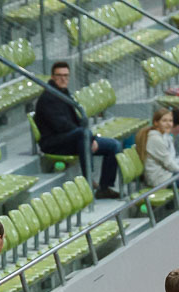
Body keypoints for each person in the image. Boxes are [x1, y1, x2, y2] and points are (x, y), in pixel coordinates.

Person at [33, 61, 121, 199]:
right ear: (52, 77)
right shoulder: (47, 99)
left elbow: (77, 120)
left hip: (74, 139)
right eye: (59, 75)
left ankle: (104, 187)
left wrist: (89, 137)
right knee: (82, 134)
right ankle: (88, 180)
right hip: (54, 143)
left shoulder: (64, 93)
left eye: (66, 76)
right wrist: (89, 138)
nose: (63, 79)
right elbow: (61, 126)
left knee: (114, 145)